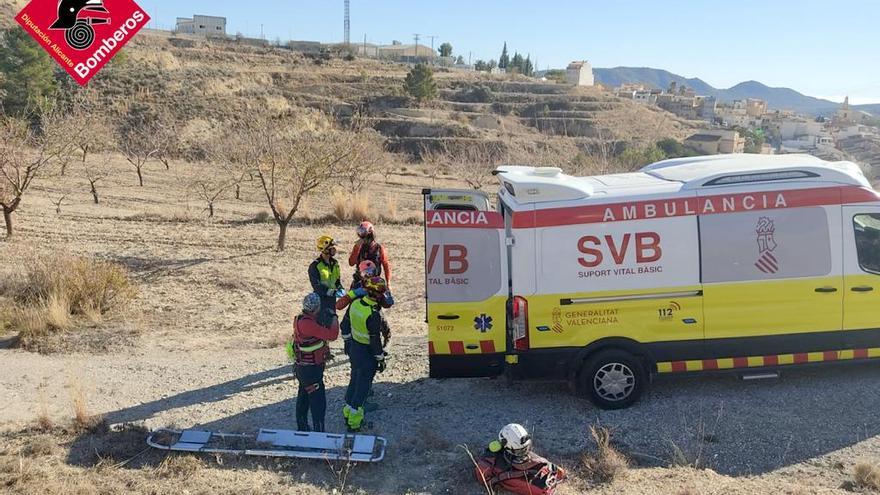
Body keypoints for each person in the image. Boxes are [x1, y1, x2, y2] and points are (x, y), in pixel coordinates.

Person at [340, 276, 389, 432]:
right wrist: (380, 358)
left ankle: (347, 413)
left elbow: (344, 325)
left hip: (354, 349)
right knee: (363, 387)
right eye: (382, 292)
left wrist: (347, 342)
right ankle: (354, 423)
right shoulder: (373, 313)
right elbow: (375, 341)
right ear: (376, 294)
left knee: (354, 380)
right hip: (367, 354)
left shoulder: (355, 304)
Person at [286, 293, 339, 433]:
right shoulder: (308, 324)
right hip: (311, 370)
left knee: (303, 397)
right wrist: (334, 318)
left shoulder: (301, 320)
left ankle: (302, 428)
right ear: (316, 308)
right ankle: (319, 433)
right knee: (318, 402)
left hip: (303, 368)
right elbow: (332, 335)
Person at [473, 423, 567, 495]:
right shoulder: (491, 460)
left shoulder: (504, 448)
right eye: (519, 451)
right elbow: (483, 479)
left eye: (525, 450)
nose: (524, 453)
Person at [309, 235, 344, 327]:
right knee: (320, 326)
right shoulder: (315, 266)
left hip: (332, 300)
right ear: (324, 249)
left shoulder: (335, 263)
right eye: (331, 248)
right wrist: (331, 292)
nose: (334, 249)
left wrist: (340, 288)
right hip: (320, 301)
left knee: (330, 324)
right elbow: (316, 286)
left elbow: (337, 280)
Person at [348, 221, 392, 290]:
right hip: (360, 281)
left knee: (386, 300)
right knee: (350, 299)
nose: (363, 240)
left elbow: (386, 266)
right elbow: (351, 263)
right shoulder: (358, 247)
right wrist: (356, 248)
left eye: (365, 237)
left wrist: (388, 283)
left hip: (375, 283)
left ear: (371, 235)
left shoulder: (379, 249)